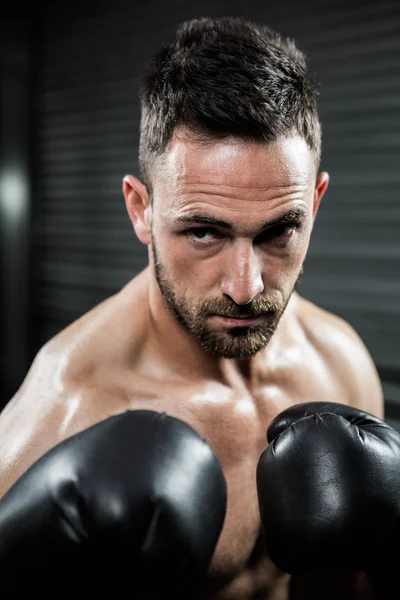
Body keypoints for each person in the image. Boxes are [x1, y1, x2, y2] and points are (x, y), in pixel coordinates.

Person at [0, 15, 387, 600]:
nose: (246, 286)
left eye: (279, 232)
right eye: (204, 232)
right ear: (140, 210)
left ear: (315, 200)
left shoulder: (341, 362)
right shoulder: (67, 407)